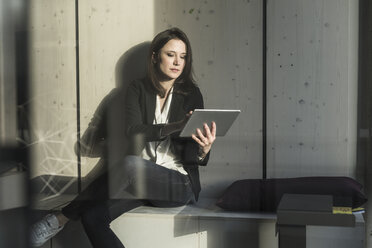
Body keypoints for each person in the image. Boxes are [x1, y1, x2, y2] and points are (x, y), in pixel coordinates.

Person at [30, 27, 216, 248]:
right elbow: (134, 131)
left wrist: (204, 150)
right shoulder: (137, 89)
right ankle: (62, 217)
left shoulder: (191, 95)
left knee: (130, 164)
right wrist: (174, 126)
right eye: (171, 54)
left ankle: (59, 219)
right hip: (139, 180)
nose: (177, 62)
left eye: (183, 57)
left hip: (178, 184)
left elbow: (192, 152)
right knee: (93, 217)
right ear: (155, 57)